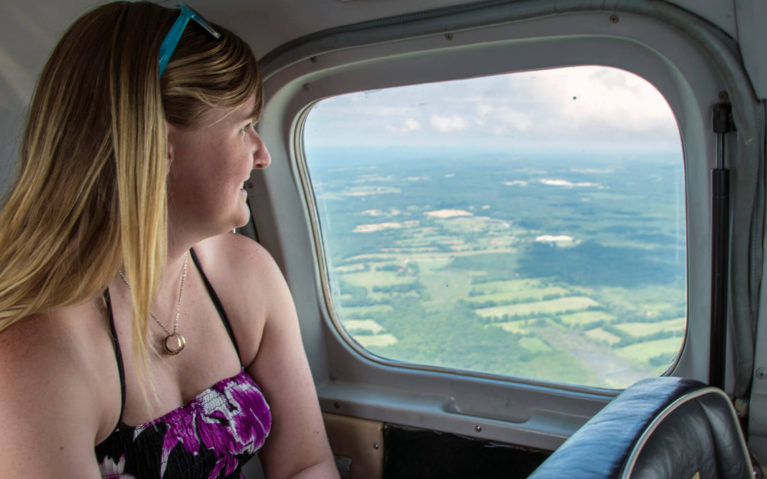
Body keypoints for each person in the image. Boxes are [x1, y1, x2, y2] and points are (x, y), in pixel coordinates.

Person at [0, 2, 339, 478]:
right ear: (157, 146)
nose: (262, 155)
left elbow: (307, 462)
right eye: (244, 127)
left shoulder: (246, 273)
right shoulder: (33, 355)